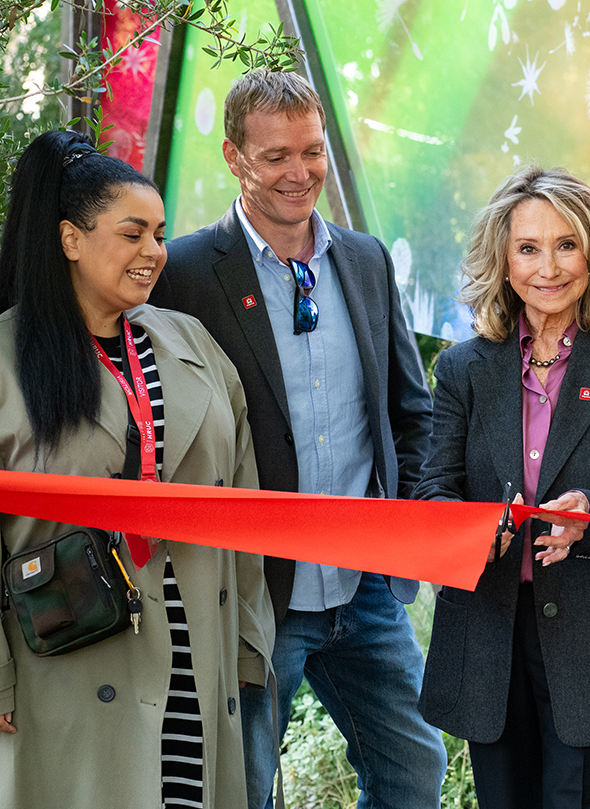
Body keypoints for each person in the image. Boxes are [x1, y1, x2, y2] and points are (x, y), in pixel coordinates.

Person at [150, 70, 446, 809]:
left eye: (311, 152)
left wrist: (404, 521)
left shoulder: (366, 260)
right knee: (244, 790)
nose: (299, 172)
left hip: (365, 585)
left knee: (415, 770)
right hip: (251, 595)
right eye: (276, 155)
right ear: (234, 157)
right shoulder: (183, 272)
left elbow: (411, 411)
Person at [0, 130, 275, 809]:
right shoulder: (8, 360)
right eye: (132, 234)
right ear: (70, 240)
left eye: (158, 233)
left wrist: (248, 643)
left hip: (196, 654)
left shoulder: (192, 344)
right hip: (69, 660)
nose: (154, 253)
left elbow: (245, 507)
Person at [414, 165, 590, 809]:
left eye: (567, 245)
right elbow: (432, 494)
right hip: (488, 635)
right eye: (529, 248)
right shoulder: (463, 368)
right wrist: (480, 531)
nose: (548, 267)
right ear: (503, 263)